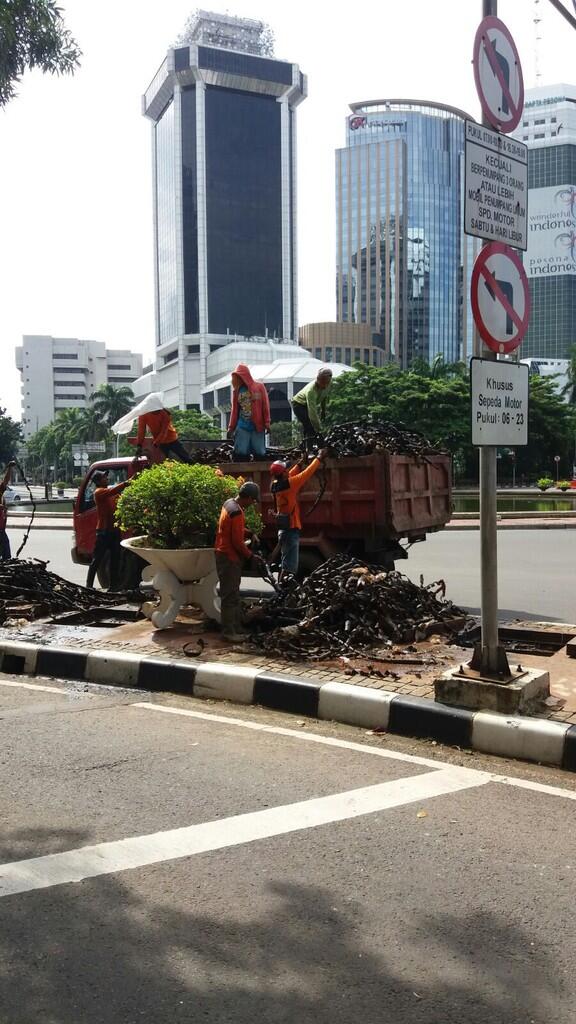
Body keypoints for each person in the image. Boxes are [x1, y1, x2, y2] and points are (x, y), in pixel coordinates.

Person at [269, 448, 329, 580]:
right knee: (289, 566)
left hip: (284, 529)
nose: (287, 471)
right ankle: (282, 591)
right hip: (290, 529)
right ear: (283, 473)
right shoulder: (290, 485)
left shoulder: (276, 485)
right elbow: (307, 474)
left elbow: (289, 474)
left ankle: (281, 589)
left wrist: (300, 463)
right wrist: (318, 458)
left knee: (286, 563)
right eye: (285, 469)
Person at [214, 481, 262, 642]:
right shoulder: (237, 512)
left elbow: (234, 529)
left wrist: (250, 533)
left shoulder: (229, 504)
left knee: (233, 594)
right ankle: (228, 632)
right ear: (247, 497)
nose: (253, 503)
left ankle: (236, 627)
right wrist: (250, 556)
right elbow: (237, 543)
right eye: (253, 500)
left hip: (224, 553)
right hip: (229, 556)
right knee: (229, 596)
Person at [86, 469, 139, 590]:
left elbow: (119, 495)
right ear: (99, 481)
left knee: (115, 559)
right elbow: (113, 490)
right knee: (97, 559)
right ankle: (88, 586)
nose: (107, 478)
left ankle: (113, 586)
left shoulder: (109, 493)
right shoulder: (99, 492)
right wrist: (127, 483)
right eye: (104, 477)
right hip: (104, 532)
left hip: (114, 531)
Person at [112, 392, 192, 463]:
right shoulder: (143, 415)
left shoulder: (165, 414)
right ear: (150, 408)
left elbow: (163, 432)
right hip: (160, 443)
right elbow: (141, 431)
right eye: (155, 410)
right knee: (163, 463)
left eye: (158, 409)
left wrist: (155, 444)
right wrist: (139, 445)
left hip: (172, 439)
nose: (157, 411)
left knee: (186, 458)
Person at [227, 364, 271, 460]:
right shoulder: (237, 391)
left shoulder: (259, 387)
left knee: (259, 452)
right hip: (242, 425)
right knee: (241, 452)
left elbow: (265, 405)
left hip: (257, 425)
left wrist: (267, 423)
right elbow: (234, 410)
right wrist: (231, 427)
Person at [291, 368, 333, 448]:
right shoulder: (311, 391)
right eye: (321, 382)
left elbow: (324, 396)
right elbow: (312, 413)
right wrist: (319, 429)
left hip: (307, 405)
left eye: (325, 383)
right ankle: (308, 450)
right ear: (318, 379)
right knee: (310, 426)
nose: (323, 385)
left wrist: (323, 410)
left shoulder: (330, 383)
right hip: (299, 404)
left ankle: (305, 447)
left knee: (310, 427)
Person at [0, 461, 16, 560]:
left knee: (4, 544)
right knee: (5, 545)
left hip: (1, 525)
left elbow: (6, 480)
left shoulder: (0, 490)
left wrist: (10, 468)